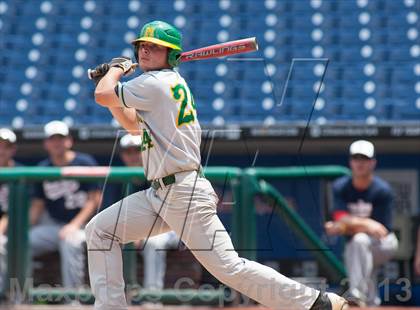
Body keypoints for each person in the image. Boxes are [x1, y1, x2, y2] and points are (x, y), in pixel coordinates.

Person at [86, 20, 348, 310]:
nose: (145, 51)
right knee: (100, 231)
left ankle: (316, 302)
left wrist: (115, 70)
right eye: (142, 46)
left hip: (183, 193)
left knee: (228, 268)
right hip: (160, 192)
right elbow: (132, 125)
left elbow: (102, 94)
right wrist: (111, 82)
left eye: (155, 47)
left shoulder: (156, 82)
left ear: (172, 55)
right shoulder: (162, 84)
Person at [325, 140, 398, 307]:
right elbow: (340, 218)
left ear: (373, 162)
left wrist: (346, 225)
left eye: (364, 159)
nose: (360, 163)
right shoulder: (340, 187)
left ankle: (357, 296)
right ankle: (371, 302)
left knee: (359, 241)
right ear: (350, 161)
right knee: (359, 248)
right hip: (358, 246)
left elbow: (380, 230)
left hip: (385, 244)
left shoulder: (382, 190)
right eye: (356, 158)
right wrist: (366, 223)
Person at [30, 120, 101, 288]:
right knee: (23, 241)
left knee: (70, 241)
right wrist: (24, 228)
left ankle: (72, 298)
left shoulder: (85, 162)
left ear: (69, 140)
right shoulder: (43, 168)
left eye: (60, 138)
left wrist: (74, 225)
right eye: (52, 139)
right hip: (55, 226)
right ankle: (19, 293)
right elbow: (37, 206)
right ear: (46, 143)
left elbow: (95, 200)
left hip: (85, 226)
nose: (57, 143)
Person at [109, 133, 179, 291]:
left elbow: (170, 213)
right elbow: (112, 213)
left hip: (171, 227)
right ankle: (115, 296)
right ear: (122, 155)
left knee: (154, 243)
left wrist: (141, 233)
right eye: (128, 152)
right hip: (138, 229)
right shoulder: (116, 178)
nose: (133, 156)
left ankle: (152, 297)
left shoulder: (161, 172)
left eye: (137, 150)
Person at [0, 128, 20, 292]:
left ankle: (5, 294)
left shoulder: (20, 172)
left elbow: (11, 212)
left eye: (5, 146)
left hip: (13, 228)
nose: (1, 150)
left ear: (13, 149)